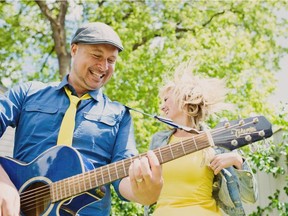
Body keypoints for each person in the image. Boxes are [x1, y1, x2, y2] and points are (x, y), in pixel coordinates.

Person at [0, 22, 163, 216]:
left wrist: (145, 193)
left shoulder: (119, 115)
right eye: (97, 55)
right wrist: (2, 182)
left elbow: (123, 180)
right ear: (74, 49)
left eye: (111, 60)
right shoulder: (27, 93)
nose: (103, 66)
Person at [145, 62, 258, 216]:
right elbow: (145, 191)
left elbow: (250, 197)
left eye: (165, 100)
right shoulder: (158, 141)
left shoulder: (216, 142)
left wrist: (238, 161)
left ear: (184, 99)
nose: (162, 107)